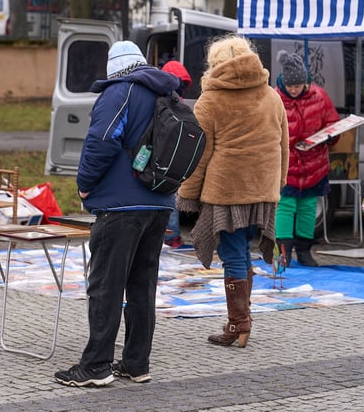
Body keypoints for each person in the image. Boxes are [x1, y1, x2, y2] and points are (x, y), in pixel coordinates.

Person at [54, 41, 179, 387]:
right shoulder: (167, 93)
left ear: (114, 68)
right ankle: (136, 363)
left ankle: (96, 366)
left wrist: (84, 185)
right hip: (159, 203)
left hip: (120, 207)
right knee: (142, 286)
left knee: (105, 286)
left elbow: (101, 140)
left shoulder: (120, 92)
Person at [176, 34, 289, 348]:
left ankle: (239, 323)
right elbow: (283, 145)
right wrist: (278, 183)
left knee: (233, 254)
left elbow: (200, 154)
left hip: (227, 191)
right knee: (243, 252)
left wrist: (187, 193)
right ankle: (240, 320)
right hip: (263, 189)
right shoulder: (272, 96)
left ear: (215, 64)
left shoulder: (210, 100)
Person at [274, 50, 340, 267]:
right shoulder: (274, 99)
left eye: (298, 85)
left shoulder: (319, 96)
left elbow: (331, 121)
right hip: (286, 164)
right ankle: (283, 253)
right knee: (285, 206)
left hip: (314, 164)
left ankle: (304, 251)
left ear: (306, 82)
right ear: (283, 81)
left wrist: (332, 135)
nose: (294, 89)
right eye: (290, 85)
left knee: (308, 207)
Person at [160, 60, 193, 248]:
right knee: (171, 197)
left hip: (164, 157)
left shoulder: (161, 101)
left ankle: (170, 235)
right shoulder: (180, 103)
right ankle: (172, 236)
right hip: (176, 158)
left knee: (168, 198)